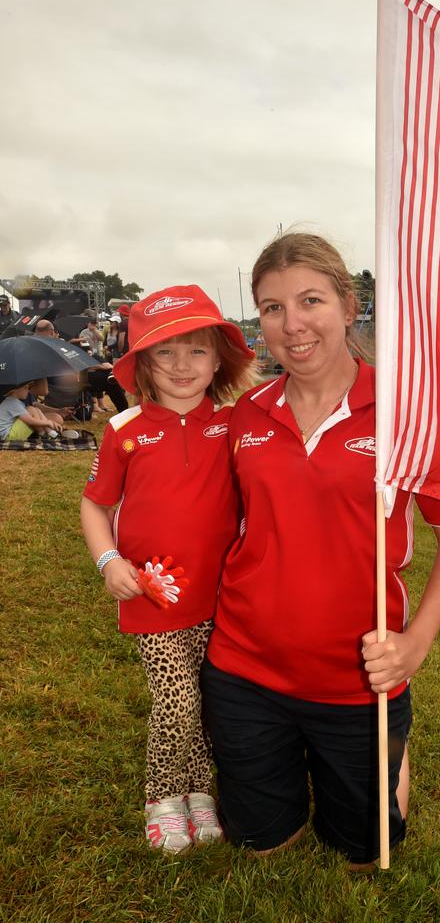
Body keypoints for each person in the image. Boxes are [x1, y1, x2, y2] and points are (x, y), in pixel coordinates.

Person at [201, 232, 440, 866]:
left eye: (310, 300)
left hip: (359, 676)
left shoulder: (408, 414)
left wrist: (415, 644)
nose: (292, 324)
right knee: (263, 845)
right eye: (272, 307)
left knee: (362, 853)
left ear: (349, 305)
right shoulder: (248, 414)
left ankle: (391, 756)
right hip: (245, 665)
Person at [80, 285, 254, 854]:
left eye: (197, 351)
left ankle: (199, 791)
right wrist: (108, 560)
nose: (182, 366)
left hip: (221, 594)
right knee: (175, 699)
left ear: (218, 359)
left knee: (207, 695)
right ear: (144, 363)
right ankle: (161, 796)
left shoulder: (232, 426)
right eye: (166, 352)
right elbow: (96, 504)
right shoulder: (124, 430)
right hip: (153, 592)